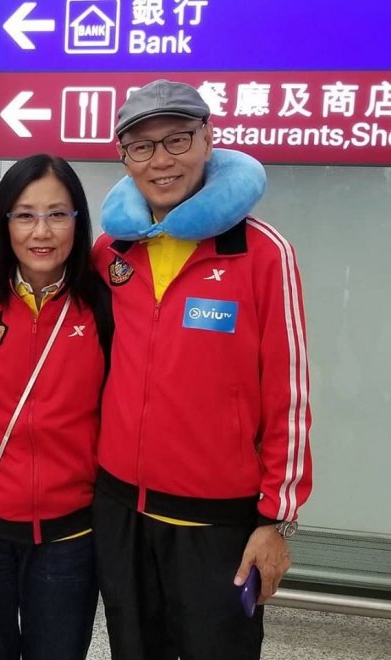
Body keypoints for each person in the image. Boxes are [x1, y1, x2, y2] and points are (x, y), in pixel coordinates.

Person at [91, 79, 313, 659]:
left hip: (217, 527)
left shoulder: (263, 254)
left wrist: (276, 520)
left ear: (209, 140)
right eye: (142, 146)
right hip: (122, 512)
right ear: (124, 158)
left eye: (178, 140)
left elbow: (289, 395)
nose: (161, 160)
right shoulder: (111, 253)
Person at [0, 154, 112, 660]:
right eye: (25, 215)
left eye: (58, 214)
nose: (42, 232)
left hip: (70, 534)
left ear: (78, 220)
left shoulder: (102, 304)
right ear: (4, 223)